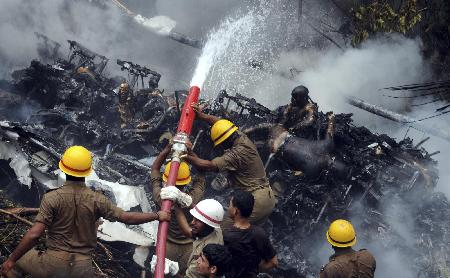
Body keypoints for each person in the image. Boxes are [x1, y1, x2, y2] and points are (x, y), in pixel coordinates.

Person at [0, 145, 170, 278]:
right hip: (83, 269)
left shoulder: (52, 197)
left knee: (17, 262)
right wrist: (157, 215)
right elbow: (126, 217)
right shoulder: (97, 199)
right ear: (87, 172)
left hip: (53, 265)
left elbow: (34, 235)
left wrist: (11, 260)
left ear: (64, 169)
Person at [186, 104, 276, 230]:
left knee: (220, 231)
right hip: (267, 197)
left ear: (225, 142)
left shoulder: (237, 153)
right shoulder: (241, 138)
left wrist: (185, 154)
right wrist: (202, 116)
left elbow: (209, 165)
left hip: (255, 202)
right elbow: (220, 123)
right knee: (245, 234)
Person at [151, 143, 205, 274]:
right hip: (189, 247)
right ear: (186, 181)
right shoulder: (193, 199)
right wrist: (191, 152)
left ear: (165, 179)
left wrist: (167, 149)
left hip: (166, 244)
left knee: (165, 273)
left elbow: (155, 170)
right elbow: (202, 174)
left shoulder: (160, 197)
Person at [223, 191, 278, 278]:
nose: (228, 207)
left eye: (230, 205)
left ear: (235, 211)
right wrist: (254, 269)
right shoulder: (260, 233)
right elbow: (274, 262)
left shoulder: (227, 236)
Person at [172, 199, 224, 278]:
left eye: (198, 220)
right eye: (194, 218)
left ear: (208, 225)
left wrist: (173, 272)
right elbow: (206, 215)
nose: (192, 222)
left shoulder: (203, 259)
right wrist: (186, 201)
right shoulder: (215, 228)